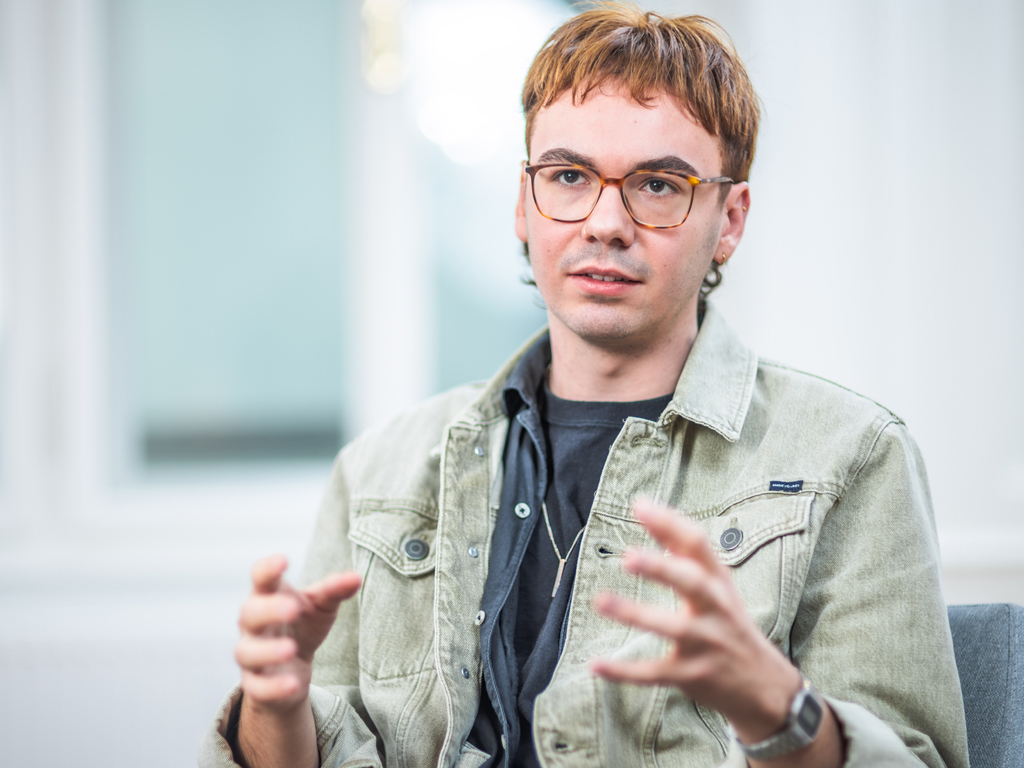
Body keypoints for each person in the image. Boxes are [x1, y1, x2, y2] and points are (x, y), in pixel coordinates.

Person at [200, 5, 968, 768]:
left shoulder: (853, 457)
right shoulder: (380, 471)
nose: (605, 222)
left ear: (729, 220)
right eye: (568, 176)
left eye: (659, 185)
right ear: (523, 204)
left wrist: (779, 710)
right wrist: (274, 707)